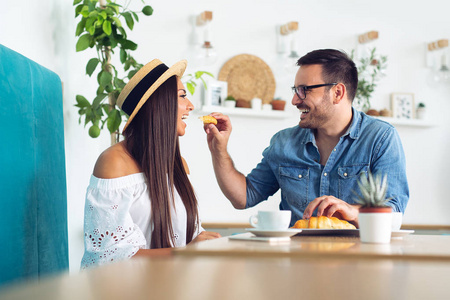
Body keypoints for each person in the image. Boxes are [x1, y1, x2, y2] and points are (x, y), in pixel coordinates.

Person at [204, 49, 409, 227]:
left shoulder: (380, 138)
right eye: (295, 90)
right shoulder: (284, 142)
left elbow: (394, 212)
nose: (294, 100)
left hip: (359, 264)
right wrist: (218, 150)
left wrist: (353, 212)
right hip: (295, 264)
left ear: (337, 93)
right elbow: (244, 197)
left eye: (304, 90)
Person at [81, 59, 220, 269]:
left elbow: (186, 235)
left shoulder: (179, 165)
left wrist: (205, 242)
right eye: (182, 96)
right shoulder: (113, 163)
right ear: (159, 104)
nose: (190, 106)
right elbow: (109, 258)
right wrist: (188, 252)